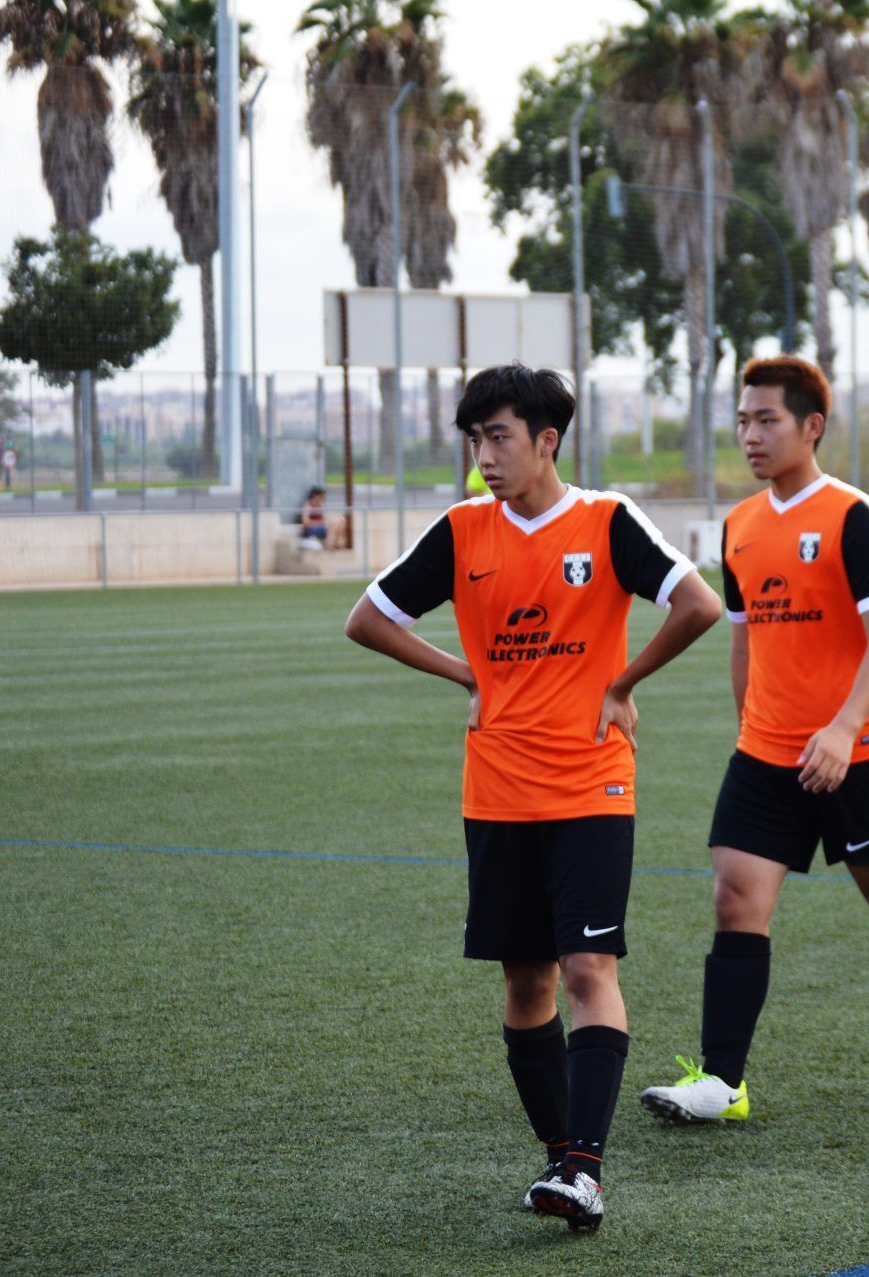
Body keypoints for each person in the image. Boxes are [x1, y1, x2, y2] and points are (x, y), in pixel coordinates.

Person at [344, 362, 721, 1231]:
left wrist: (622, 682)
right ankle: (562, 1160)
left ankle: (585, 1170)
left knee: (590, 967)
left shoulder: (605, 521)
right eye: (474, 439)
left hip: (592, 784)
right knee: (525, 982)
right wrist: (461, 673)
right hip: (498, 791)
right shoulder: (463, 531)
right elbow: (366, 619)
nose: (484, 455)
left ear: (548, 441)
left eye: (499, 437)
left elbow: (698, 605)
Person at [639, 355, 869, 1126]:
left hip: (859, 748)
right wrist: (749, 727)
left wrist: (845, 728)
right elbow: (744, 639)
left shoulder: (851, 514)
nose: (750, 435)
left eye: (766, 420)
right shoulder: (740, 525)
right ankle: (723, 1081)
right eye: (743, 421)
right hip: (766, 753)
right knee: (734, 897)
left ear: (811, 426)